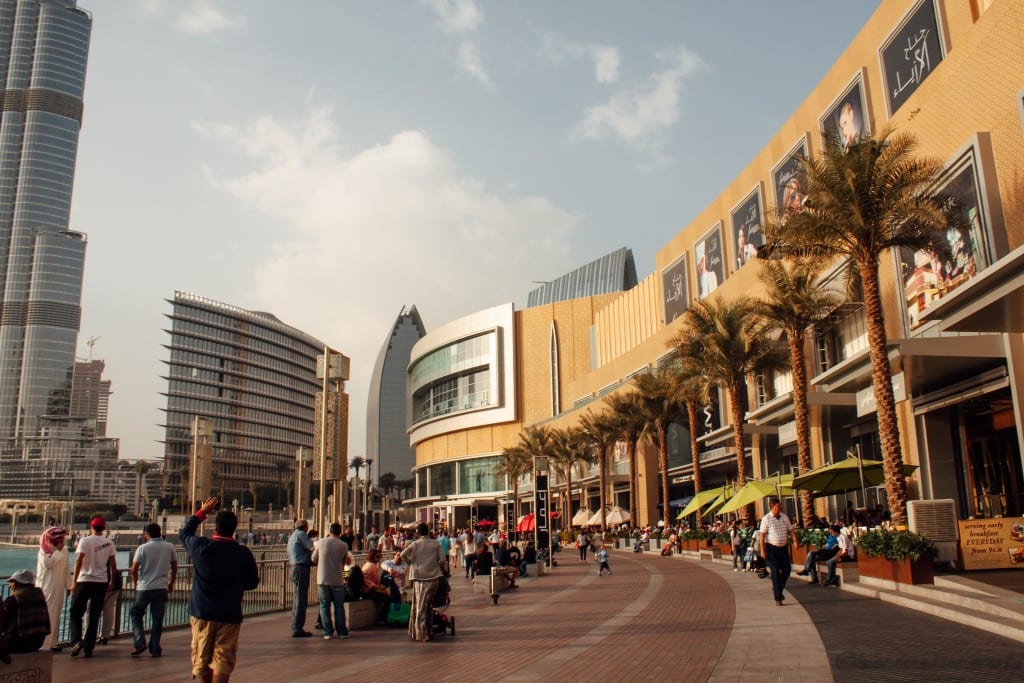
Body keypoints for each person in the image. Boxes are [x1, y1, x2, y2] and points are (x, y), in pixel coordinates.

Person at [181, 497, 260, 683]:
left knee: (201, 659)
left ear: (215, 527)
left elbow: (184, 533)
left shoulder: (201, 548)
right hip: (229, 614)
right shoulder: (242, 554)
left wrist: (201, 512)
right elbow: (252, 583)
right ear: (235, 529)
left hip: (202, 612)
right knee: (223, 661)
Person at [69, 516, 117, 658]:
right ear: (104, 528)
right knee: (94, 615)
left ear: (91, 527)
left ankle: (76, 641)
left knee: (76, 612)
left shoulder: (85, 541)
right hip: (101, 582)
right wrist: (112, 581)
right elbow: (113, 566)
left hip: (84, 580)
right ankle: (89, 647)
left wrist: (74, 581)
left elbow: (79, 560)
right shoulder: (109, 543)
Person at [130, 522, 178, 657]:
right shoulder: (169, 547)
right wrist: (171, 583)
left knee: (135, 614)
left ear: (147, 534)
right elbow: (174, 566)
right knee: (157, 619)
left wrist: (136, 583)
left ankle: (140, 642)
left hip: (144, 587)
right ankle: (155, 647)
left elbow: (134, 569)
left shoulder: (142, 548)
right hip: (161, 587)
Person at [399, 522, 449, 642]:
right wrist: (440, 569)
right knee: (429, 605)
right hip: (433, 577)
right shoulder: (435, 544)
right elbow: (442, 560)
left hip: (419, 577)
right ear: (428, 531)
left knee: (419, 605)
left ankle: (419, 632)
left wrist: (411, 563)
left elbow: (402, 554)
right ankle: (428, 629)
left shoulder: (415, 544)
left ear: (418, 532)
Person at [312, 522, 352, 640]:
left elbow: (313, 559)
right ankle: (342, 632)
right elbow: (345, 562)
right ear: (340, 532)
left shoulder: (320, 542)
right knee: (339, 606)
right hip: (337, 579)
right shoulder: (343, 545)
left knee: (324, 606)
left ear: (330, 531)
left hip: (323, 579)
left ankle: (328, 632)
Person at [1, 570, 50, 663]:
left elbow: (3, 624)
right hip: (37, 643)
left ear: (17, 583)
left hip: (16, 644)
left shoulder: (13, 599)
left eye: (11, 582)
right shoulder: (40, 596)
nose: (9, 586)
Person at [35, 526, 69, 653]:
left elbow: (66, 568)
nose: (62, 540)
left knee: (57, 615)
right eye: (60, 538)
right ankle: (44, 645)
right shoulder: (44, 551)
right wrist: (57, 552)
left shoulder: (63, 551)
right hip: (47, 587)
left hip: (59, 587)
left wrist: (68, 585)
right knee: (49, 614)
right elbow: (48, 564)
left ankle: (53, 643)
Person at [759, 499, 798, 606]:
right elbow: (762, 536)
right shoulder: (766, 519)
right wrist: (762, 550)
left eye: (780, 506)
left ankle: (778, 587)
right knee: (775, 571)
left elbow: (791, 530)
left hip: (783, 548)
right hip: (771, 549)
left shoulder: (784, 517)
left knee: (787, 570)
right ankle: (778, 597)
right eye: (778, 506)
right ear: (772, 507)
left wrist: (795, 541)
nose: (780, 508)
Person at [286, 519, 314, 638]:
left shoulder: (293, 536)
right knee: (301, 600)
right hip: (301, 568)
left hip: (294, 567)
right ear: (305, 527)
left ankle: (295, 626)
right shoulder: (301, 535)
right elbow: (312, 547)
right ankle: (298, 628)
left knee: (297, 599)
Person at [97, 559, 122, 645]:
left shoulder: (102, 554)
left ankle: (88, 636)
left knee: (91, 609)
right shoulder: (108, 551)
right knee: (109, 609)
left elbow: (112, 567)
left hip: (106, 584)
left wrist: (111, 582)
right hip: (116, 584)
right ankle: (105, 636)